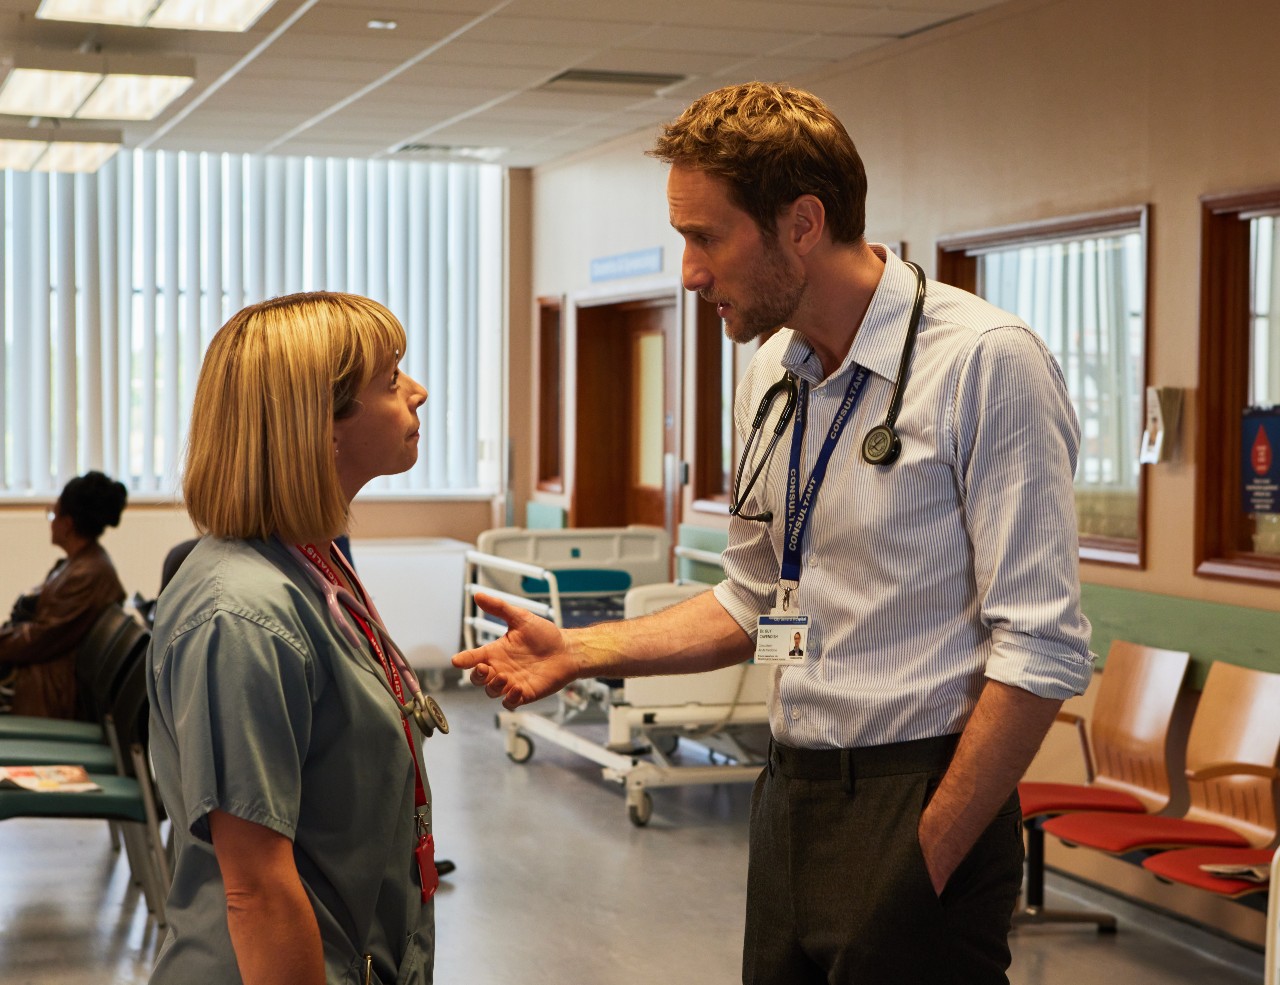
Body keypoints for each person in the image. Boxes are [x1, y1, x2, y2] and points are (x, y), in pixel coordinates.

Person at [454, 82, 1093, 985]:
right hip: (791, 794)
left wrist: (931, 851)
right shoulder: (772, 374)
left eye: (705, 236)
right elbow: (756, 601)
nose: (688, 271)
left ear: (802, 223)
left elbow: (1041, 649)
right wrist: (582, 649)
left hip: (918, 794)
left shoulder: (984, 364)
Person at [147, 292, 440, 985]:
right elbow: (257, 890)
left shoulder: (311, 565)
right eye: (392, 380)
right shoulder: (241, 614)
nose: (419, 392)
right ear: (323, 425)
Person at [0, 471, 127, 719]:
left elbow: (40, 638)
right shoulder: (81, 564)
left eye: (53, 514)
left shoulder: (87, 574)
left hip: (48, 693)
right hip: (45, 679)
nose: (50, 522)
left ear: (67, 523)